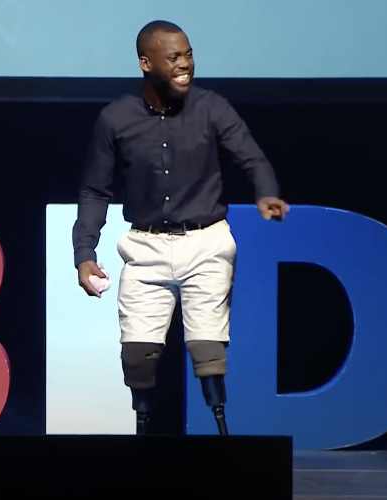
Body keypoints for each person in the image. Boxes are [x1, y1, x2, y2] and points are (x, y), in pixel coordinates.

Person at [72, 20, 289, 435]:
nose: (185, 64)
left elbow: (251, 157)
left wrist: (266, 193)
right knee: (137, 356)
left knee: (208, 351)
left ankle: (222, 433)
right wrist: (85, 254)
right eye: (173, 57)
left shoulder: (212, 108)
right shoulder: (115, 119)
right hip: (145, 248)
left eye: (188, 54)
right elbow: (95, 190)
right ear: (145, 63)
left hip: (207, 243)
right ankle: (142, 430)